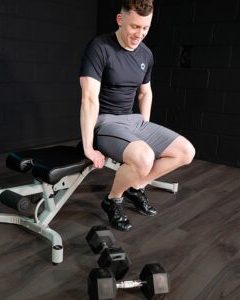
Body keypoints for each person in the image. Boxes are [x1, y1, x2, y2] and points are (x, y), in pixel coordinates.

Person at [79, 0, 195, 231]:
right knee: (144, 157)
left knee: (186, 152)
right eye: (134, 27)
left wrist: (144, 125)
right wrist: (88, 147)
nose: (139, 34)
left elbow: (145, 92)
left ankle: (136, 186)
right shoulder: (99, 47)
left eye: (145, 28)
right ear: (120, 20)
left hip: (133, 121)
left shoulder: (146, 54)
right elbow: (89, 99)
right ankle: (113, 199)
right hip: (105, 122)